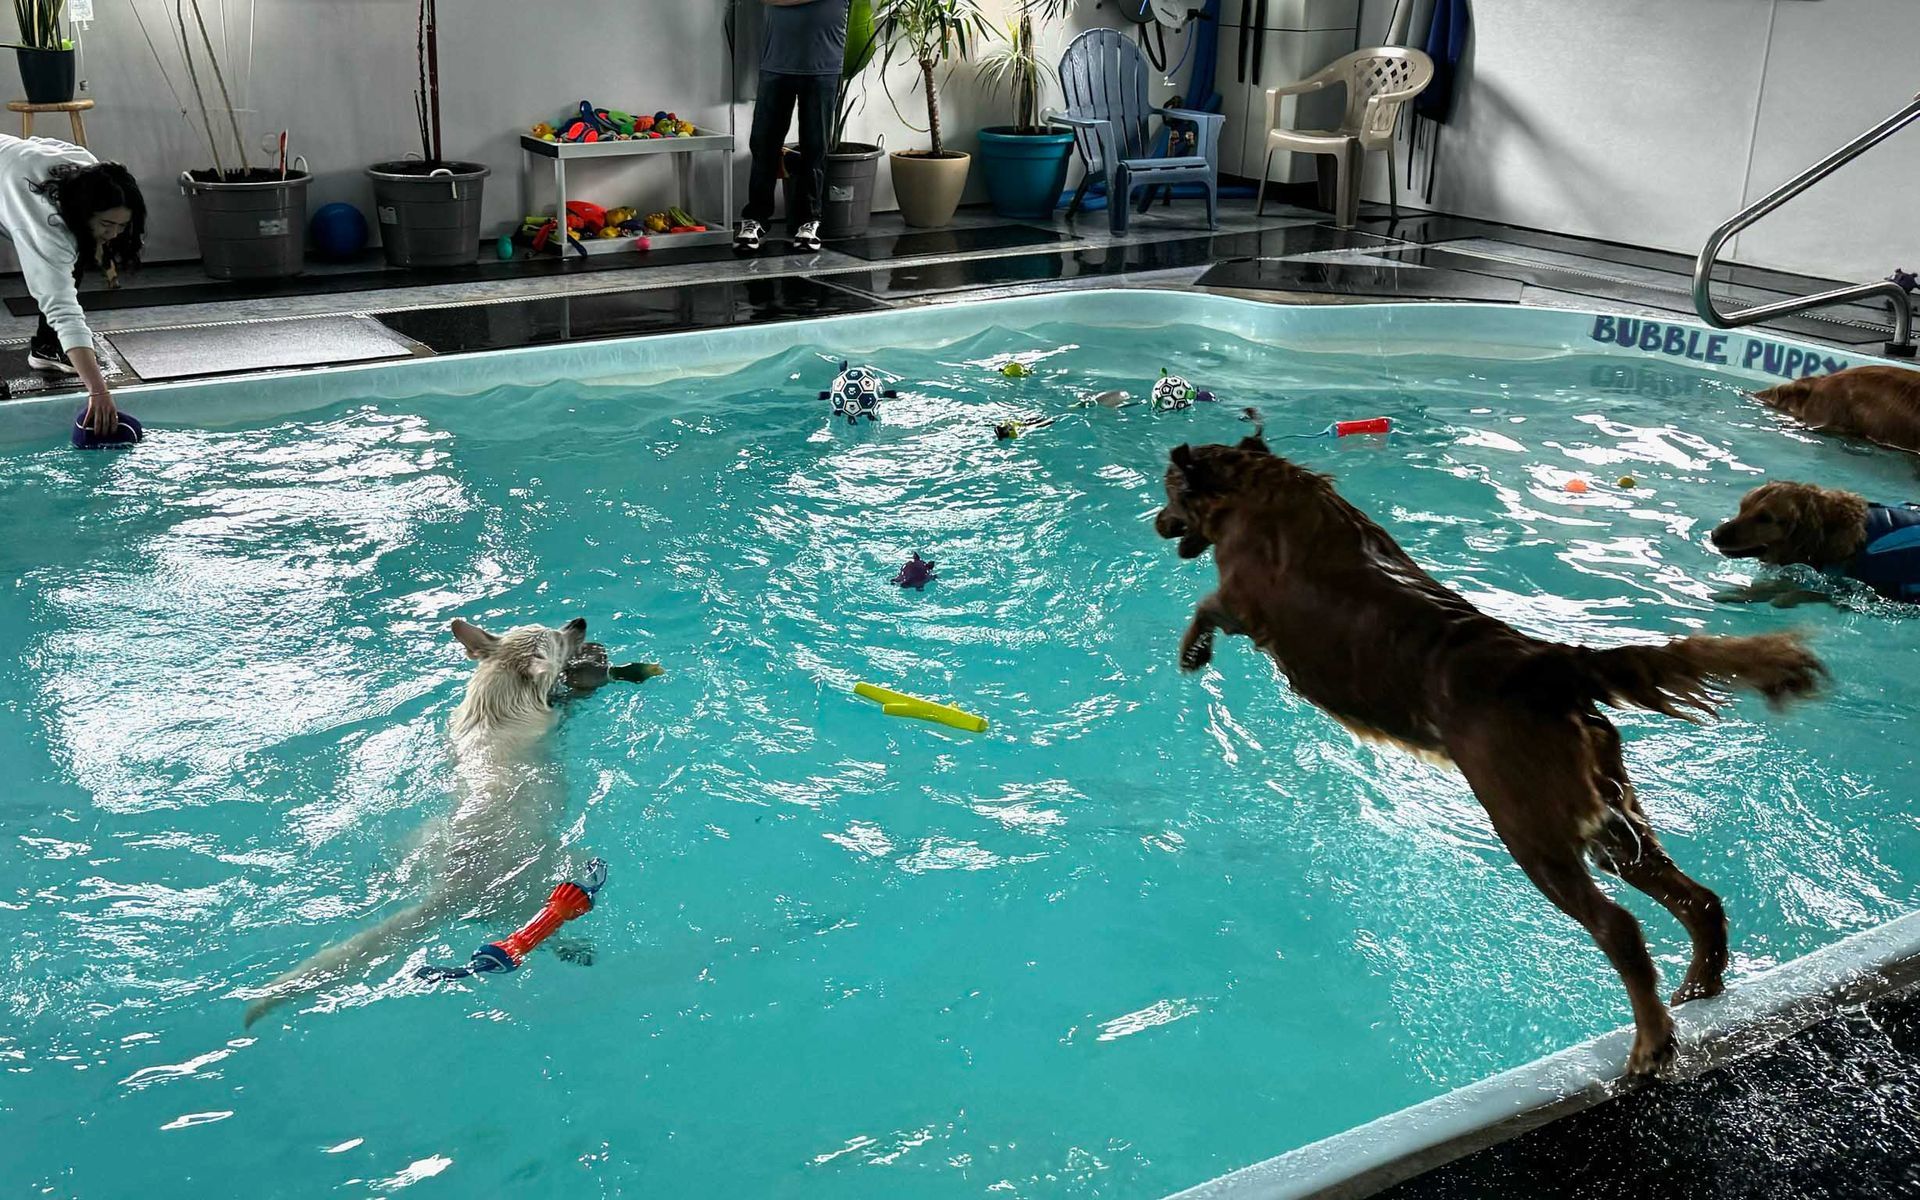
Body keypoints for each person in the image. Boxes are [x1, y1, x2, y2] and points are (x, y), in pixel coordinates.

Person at [0, 135, 146, 444]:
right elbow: (63, 309)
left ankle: (46, 347)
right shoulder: (43, 225)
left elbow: (43, 141)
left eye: (121, 226)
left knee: (77, 250)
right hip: (11, 182)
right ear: (85, 210)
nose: (114, 233)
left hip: (11, 168)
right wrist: (98, 389)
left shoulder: (87, 167)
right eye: (108, 224)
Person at [735, 0, 849, 255]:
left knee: (815, 147)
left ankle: (809, 222)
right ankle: (756, 220)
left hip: (823, 67)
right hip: (777, 64)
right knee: (764, 145)